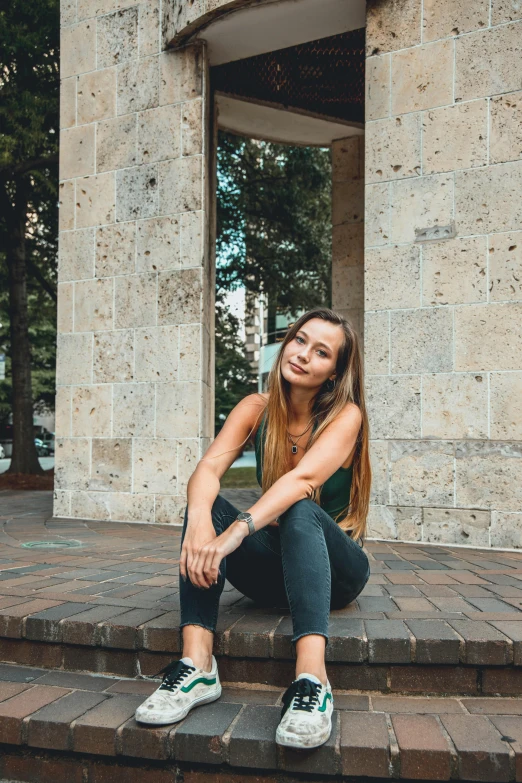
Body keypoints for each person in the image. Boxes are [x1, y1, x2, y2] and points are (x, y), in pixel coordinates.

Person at [135, 307, 372, 749]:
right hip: (277, 573)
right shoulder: (256, 409)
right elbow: (208, 467)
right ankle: (198, 665)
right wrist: (200, 521)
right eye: (300, 340)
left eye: (321, 352)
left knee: (299, 507)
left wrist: (238, 530)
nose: (302, 354)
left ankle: (312, 680)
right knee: (205, 505)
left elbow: (303, 481)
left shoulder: (347, 415)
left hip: (339, 574)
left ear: (334, 373)